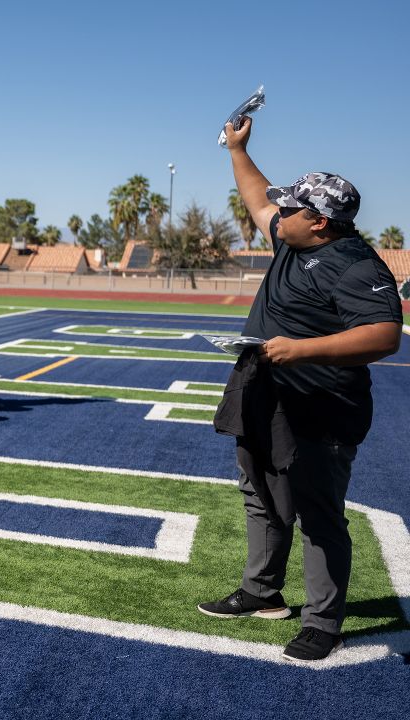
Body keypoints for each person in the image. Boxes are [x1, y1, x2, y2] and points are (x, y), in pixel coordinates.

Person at [199, 117, 402, 662]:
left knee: (318, 512)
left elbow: (385, 334)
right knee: (259, 495)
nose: (277, 213)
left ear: (319, 222)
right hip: (265, 393)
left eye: (290, 208)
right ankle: (263, 592)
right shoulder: (292, 241)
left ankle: (323, 621)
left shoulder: (356, 266)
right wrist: (239, 150)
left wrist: (301, 348)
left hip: (320, 406)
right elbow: (254, 198)